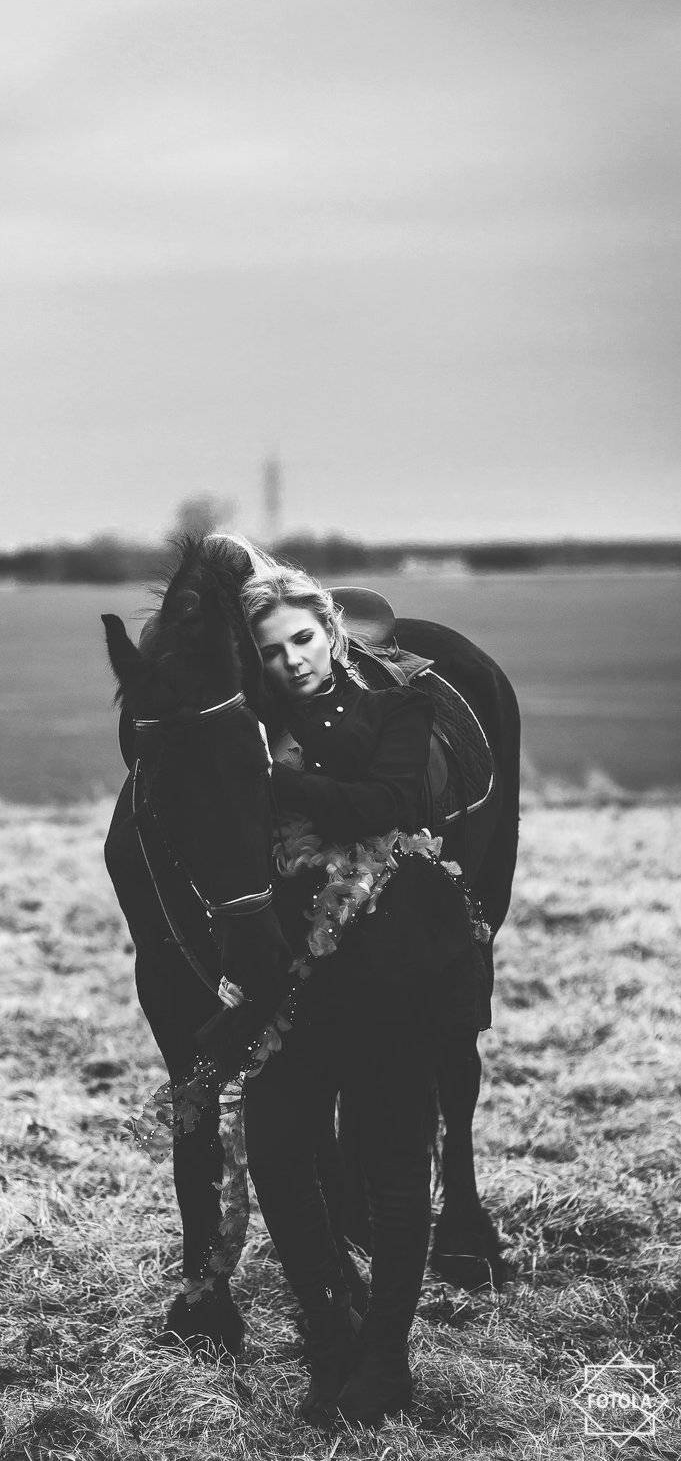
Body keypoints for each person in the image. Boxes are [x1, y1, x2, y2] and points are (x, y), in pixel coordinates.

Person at [237, 556, 483, 1428]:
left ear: (329, 630)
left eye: (300, 639)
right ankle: (332, 1334)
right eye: (268, 652)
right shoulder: (244, 717)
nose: (289, 661)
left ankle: (385, 1357)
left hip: (392, 955)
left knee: (390, 1153)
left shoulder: (402, 695)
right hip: (290, 966)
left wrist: (277, 785)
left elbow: (394, 798)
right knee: (273, 1144)